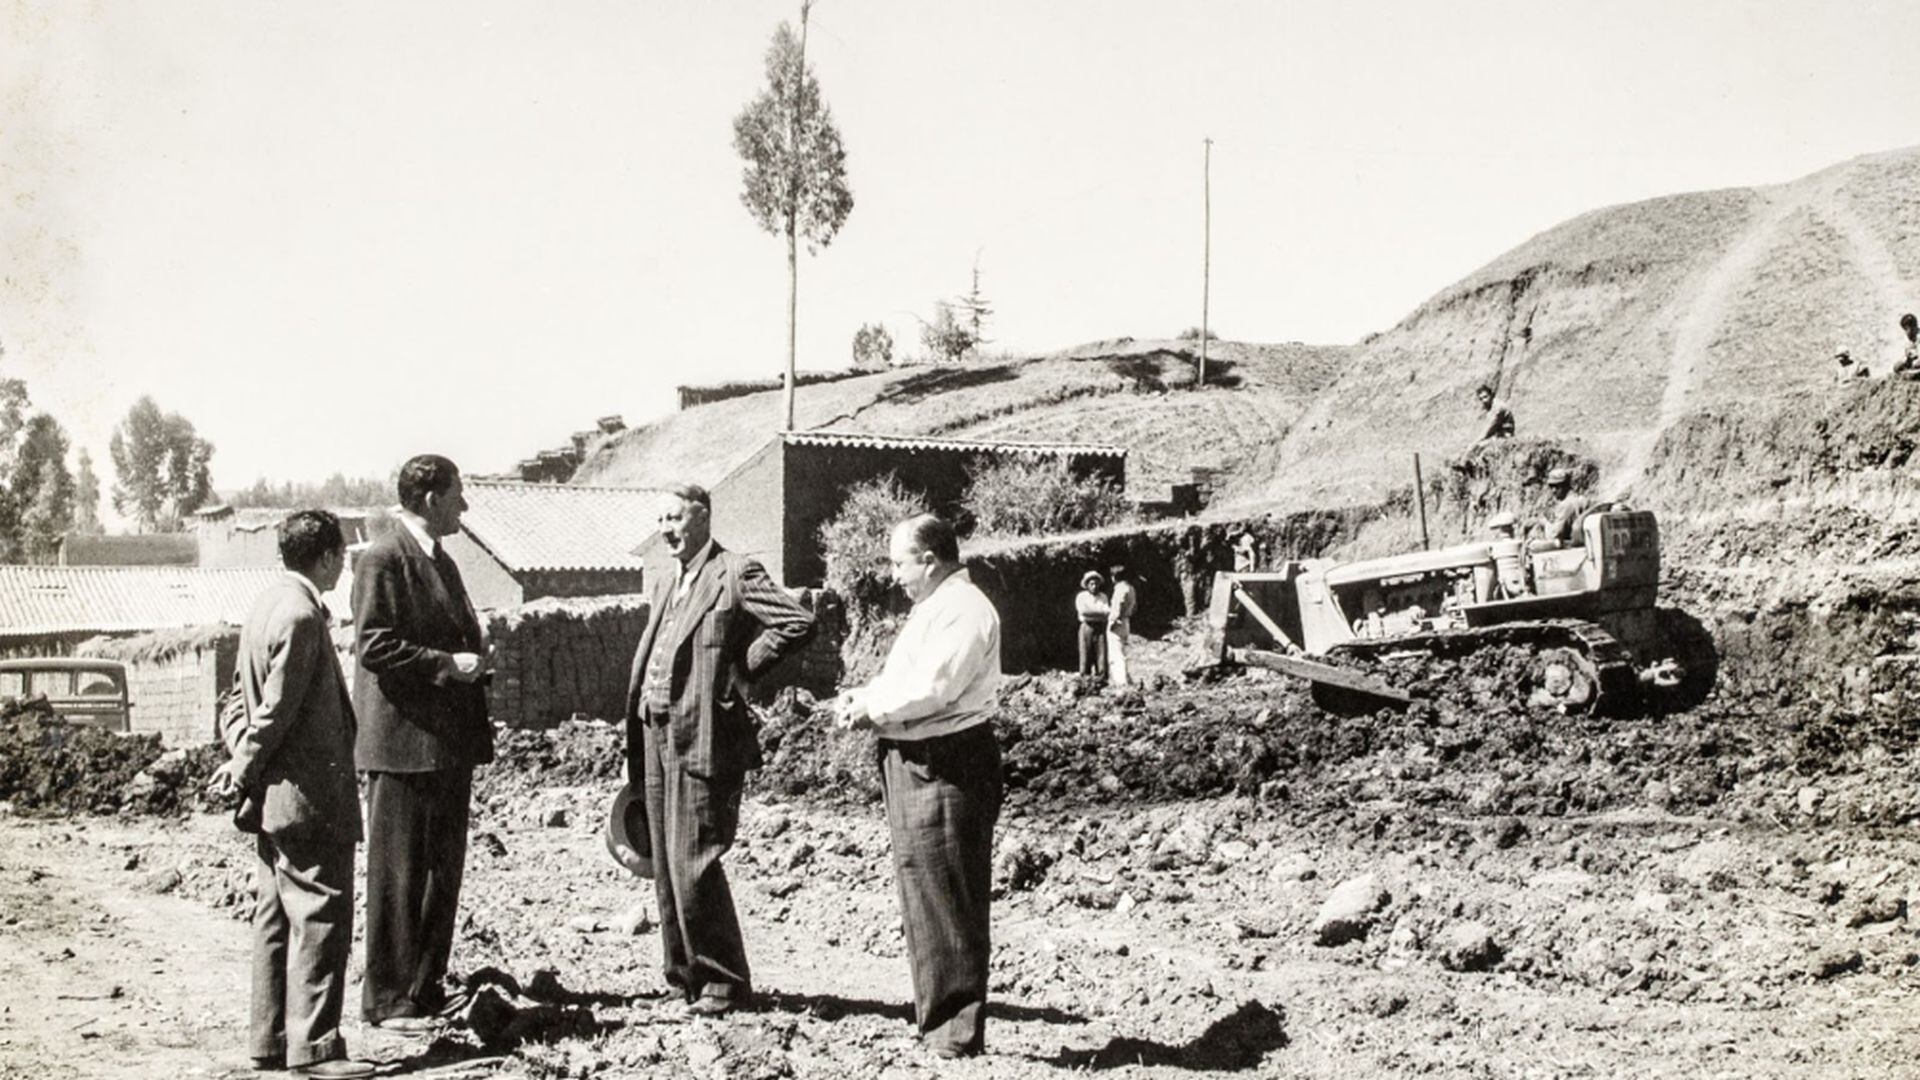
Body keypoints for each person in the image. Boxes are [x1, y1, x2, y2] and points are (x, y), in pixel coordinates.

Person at [625, 483, 814, 1017]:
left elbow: (798, 621)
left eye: (676, 517)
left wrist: (741, 670)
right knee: (664, 859)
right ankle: (683, 972)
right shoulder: (667, 580)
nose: (667, 529)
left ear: (703, 517)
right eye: (661, 519)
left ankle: (723, 982)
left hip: (704, 732)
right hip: (654, 731)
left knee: (695, 858)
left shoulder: (735, 572)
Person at [208, 511, 373, 1079]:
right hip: (309, 797)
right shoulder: (303, 615)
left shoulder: (263, 607)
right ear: (326, 557)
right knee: (322, 916)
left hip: (272, 804)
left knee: (275, 920)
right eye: (342, 557)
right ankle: (317, 1048)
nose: (345, 566)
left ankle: (271, 1041)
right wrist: (245, 762)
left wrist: (239, 758)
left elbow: (235, 702)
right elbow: (276, 711)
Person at [833, 514, 1004, 1059]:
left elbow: (935, 687)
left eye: (898, 562)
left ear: (929, 560)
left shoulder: (965, 610)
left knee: (947, 894)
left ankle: (955, 1033)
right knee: (925, 891)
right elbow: (908, 677)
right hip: (918, 759)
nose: (893, 574)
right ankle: (940, 1024)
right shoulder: (937, 607)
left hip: (946, 763)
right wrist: (866, 696)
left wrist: (872, 708)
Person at [353, 454, 492, 1033]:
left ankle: (424, 988)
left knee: (441, 872)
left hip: (444, 746)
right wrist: (445, 665)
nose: (464, 504)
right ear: (431, 498)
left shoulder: (442, 561)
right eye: (458, 493)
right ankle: (387, 998)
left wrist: (473, 664)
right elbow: (374, 645)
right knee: (399, 876)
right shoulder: (384, 557)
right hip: (402, 747)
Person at [1534, 467, 1592, 547]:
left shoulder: (1565, 505)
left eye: (1557, 486)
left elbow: (1553, 535)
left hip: (1572, 549)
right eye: (1551, 487)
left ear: (1566, 485)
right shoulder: (1583, 500)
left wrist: (1545, 523)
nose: (1553, 491)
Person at [1105, 564, 1137, 688]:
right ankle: (1126, 679)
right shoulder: (1130, 588)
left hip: (1117, 622)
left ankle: (1120, 681)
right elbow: (1134, 607)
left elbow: (1117, 606)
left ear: (1114, 577)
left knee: (1116, 652)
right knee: (1122, 650)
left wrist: (1113, 621)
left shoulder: (1119, 589)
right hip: (1126, 621)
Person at [1073, 570, 1109, 680]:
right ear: (1087, 585)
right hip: (1086, 626)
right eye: (1091, 584)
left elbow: (1107, 612)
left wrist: (1099, 612)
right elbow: (1084, 611)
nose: (1094, 586)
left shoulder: (1103, 596)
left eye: (1096, 583)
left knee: (1101, 653)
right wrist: (1100, 611)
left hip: (1100, 627)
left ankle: (1101, 678)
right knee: (1085, 653)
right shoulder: (1081, 596)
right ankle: (1085, 678)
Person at [1896, 314, 1920, 380]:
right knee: (1897, 367)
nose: (1906, 333)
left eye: (1907, 329)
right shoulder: (1911, 341)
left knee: (1909, 375)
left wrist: (1913, 361)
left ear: (1913, 327)